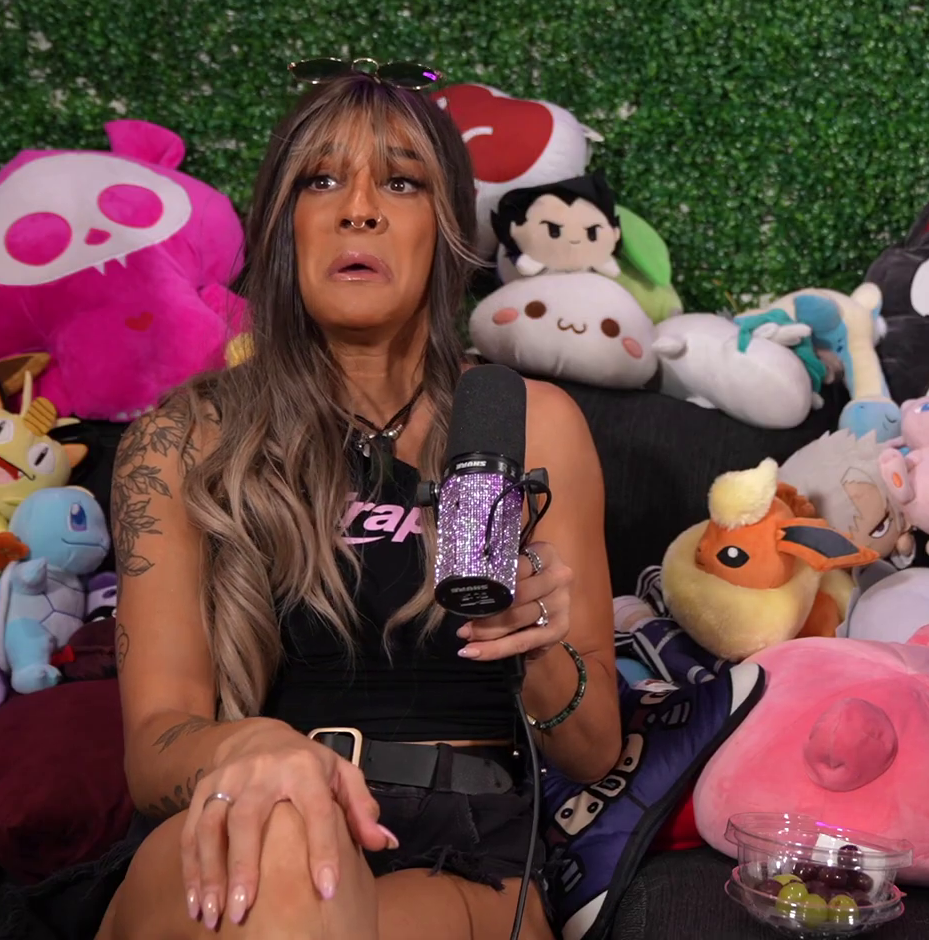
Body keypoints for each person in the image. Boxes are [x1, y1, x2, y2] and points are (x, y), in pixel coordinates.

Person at [95, 61, 622, 939]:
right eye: (322, 180)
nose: (360, 210)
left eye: (402, 182)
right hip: (252, 817)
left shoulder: (533, 423)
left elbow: (594, 748)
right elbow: (154, 749)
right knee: (287, 846)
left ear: (447, 227)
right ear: (282, 226)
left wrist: (531, 640)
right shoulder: (182, 439)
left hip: (468, 854)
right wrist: (255, 748)